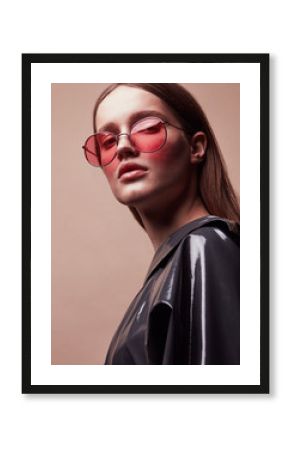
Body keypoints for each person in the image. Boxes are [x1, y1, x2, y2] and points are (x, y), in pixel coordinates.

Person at [82, 83, 240, 365]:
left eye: (147, 128)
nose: (123, 147)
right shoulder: (172, 267)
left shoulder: (204, 248)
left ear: (196, 147)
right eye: (107, 141)